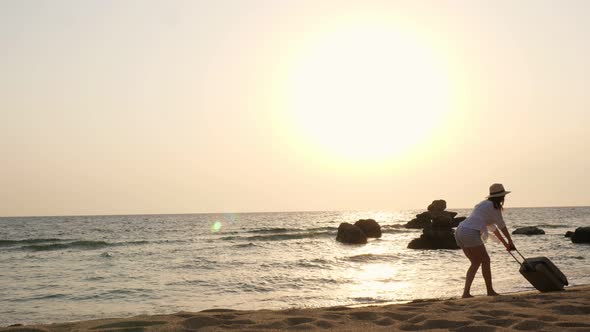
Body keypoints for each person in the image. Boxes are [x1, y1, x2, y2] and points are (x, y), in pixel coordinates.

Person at [455, 183, 516, 298]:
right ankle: (490, 291)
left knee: (476, 262)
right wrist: (510, 242)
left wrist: (506, 244)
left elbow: (494, 229)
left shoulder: (483, 205)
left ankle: (466, 293)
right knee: (486, 260)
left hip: (460, 231)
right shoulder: (494, 207)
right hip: (470, 232)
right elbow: (502, 226)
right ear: (501, 197)